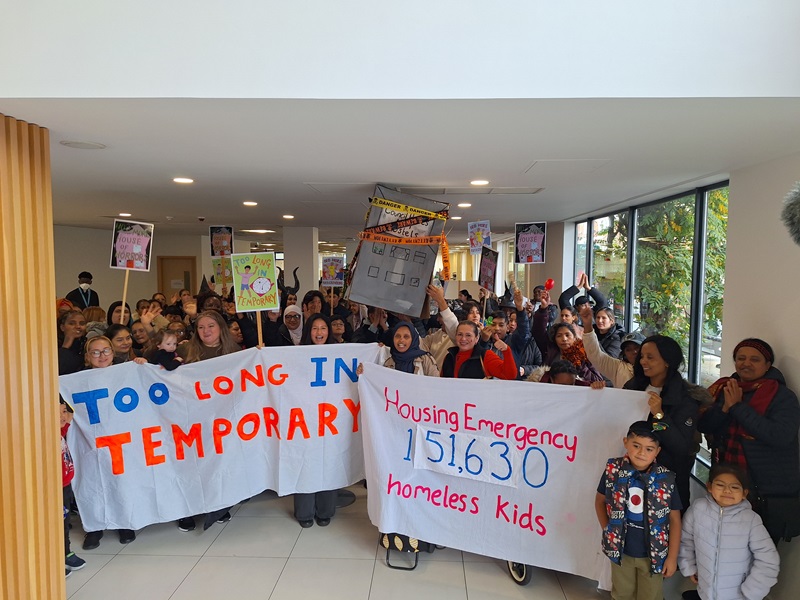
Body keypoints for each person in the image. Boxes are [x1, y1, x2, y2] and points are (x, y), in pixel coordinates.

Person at [699, 338, 800, 542]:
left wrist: (737, 407)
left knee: (760, 554)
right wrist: (725, 408)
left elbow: (780, 436)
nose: (746, 363)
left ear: (768, 365)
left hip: (763, 491)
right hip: (727, 482)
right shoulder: (725, 388)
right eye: (741, 358)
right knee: (723, 543)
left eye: (755, 359)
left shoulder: (782, 397)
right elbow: (705, 426)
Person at [595, 421, 682, 600]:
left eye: (649, 449)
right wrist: (608, 529)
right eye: (636, 446)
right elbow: (600, 501)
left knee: (650, 595)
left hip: (653, 555)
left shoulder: (666, 479)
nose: (642, 453)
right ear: (626, 442)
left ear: (657, 452)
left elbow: (674, 519)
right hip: (621, 551)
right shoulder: (613, 469)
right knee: (622, 593)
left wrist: (672, 558)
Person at [623, 335, 711, 510]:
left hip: (667, 483)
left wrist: (659, 416)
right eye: (642, 356)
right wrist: (600, 393)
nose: (643, 361)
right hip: (631, 478)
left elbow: (681, 447)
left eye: (650, 357)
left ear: (667, 361)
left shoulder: (686, 397)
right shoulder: (632, 387)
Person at [175, 311, 242, 530]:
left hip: (223, 418)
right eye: (201, 327)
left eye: (211, 326)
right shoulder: (186, 349)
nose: (206, 331)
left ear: (220, 327)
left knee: (219, 464)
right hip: (192, 418)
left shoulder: (234, 351)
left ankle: (218, 507)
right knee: (193, 464)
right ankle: (188, 510)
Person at [678, 464, 779, 600]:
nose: (727, 491)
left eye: (735, 487)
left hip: (737, 594)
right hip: (705, 590)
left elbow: (768, 559)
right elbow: (685, 540)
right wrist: (689, 566)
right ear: (709, 486)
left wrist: (753, 591)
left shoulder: (750, 520)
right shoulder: (697, 509)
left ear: (744, 493)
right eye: (720, 485)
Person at [80, 336, 137, 549]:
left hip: (120, 440)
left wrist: (140, 365)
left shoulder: (126, 374)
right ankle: (94, 528)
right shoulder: (78, 380)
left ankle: (125, 523)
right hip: (91, 441)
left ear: (113, 353)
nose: (101, 355)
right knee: (93, 483)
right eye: (95, 352)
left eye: (106, 350)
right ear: (87, 356)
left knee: (121, 481)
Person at [294, 314, 339, 527]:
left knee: (328, 463)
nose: (319, 333)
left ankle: (325, 510)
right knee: (305, 463)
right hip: (303, 420)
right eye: (314, 328)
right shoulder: (296, 355)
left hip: (330, 421)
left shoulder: (340, 353)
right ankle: (304, 513)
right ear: (308, 331)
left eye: (323, 328)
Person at [580, 304, 643, 389]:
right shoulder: (619, 368)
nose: (634, 352)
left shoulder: (655, 369)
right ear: (624, 354)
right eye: (628, 350)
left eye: (637, 348)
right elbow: (596, 356)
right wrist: (588, 325)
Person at [440, 321, 517, 379]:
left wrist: (506, 351)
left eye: (468, 335)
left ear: (476, 339)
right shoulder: (449, 356)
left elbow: (510, 375)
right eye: (460, 334)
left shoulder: (485, 356)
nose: (463, 339)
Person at [61, 398, 86, 575]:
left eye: (63, 411)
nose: (63, 416)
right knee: (52, 522)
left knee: (64, 521)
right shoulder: (41, 438)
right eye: (57, 413)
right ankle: (52, 558)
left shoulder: (61, 431)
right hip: (50, 488)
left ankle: (65, 552)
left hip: (65, 485)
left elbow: (69, 417)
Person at [58, 310, 87, 375]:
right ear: (62, 327)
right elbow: (58, 369)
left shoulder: (88, 345)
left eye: (82, 323)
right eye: (72, 323)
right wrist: (66, 346)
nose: (78, 326)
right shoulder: (53, 346)